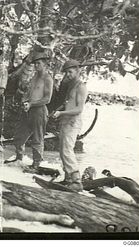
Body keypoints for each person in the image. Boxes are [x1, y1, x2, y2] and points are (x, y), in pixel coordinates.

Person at [8, 53, 53, 170]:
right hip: (28, 110)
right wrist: (24, 100)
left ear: (45, 64)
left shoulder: (47, 78)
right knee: (19, 136)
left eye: (39, 63)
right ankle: (19, 158)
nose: (36, 66)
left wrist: (32, 103)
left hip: (39, 111)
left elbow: (47, 99)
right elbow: (29, 93)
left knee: (37, 138)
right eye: (35, 63)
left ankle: (36, 164)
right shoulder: (34, 77)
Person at [52, 60, 88, 192]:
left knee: (67, 150)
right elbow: (68, 103)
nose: (68, 74)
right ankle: (68, 179)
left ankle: (77, 181)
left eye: (70, 72)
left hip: (73, 122)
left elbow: (79, 109)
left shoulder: (81, 87)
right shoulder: (71, 86)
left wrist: (61, 112)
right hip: (65, 121)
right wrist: (58, 110)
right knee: (62, 150)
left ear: (78, 71)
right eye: (66, 72)